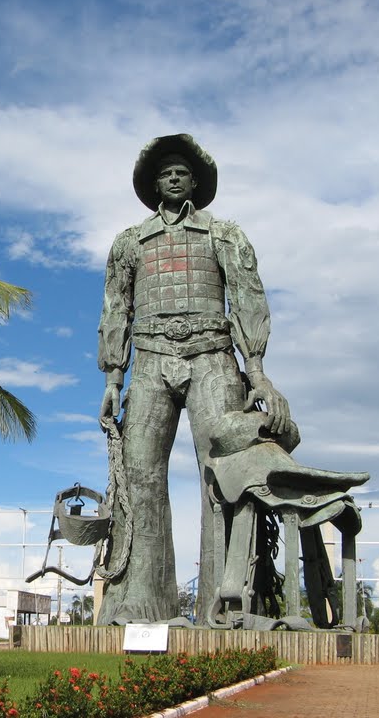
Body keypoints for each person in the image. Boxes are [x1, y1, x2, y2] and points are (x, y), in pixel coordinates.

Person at [96, 134, 291, 623]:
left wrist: (258, 373)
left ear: (196, 182)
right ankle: (140, 600)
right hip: (149, 358)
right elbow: (116, 308)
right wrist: (112, 379)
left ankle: (222, 603)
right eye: (166, 172)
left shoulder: (224, 235)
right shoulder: (128, 243)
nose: (175, 177)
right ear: (154, 184)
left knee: (221, 473)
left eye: (182, 171)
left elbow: (247, 299)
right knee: (138, 472)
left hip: (213, 357)